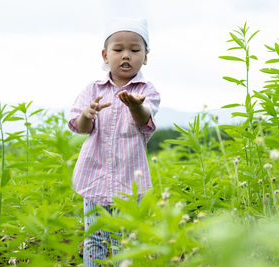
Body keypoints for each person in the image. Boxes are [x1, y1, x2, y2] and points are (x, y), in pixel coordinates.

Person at [68, 17, 160, 266]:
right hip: (94, 178)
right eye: (118, 49)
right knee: (94, 240)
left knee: (125, 242)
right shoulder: (93, 89)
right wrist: (87, 114)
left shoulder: (147, 91)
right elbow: (82, 127)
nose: (126, 55)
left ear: (146, 56)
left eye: (134, 49)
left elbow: (144, 120)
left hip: (129, 182)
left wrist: (135, 106)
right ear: (105, 55)